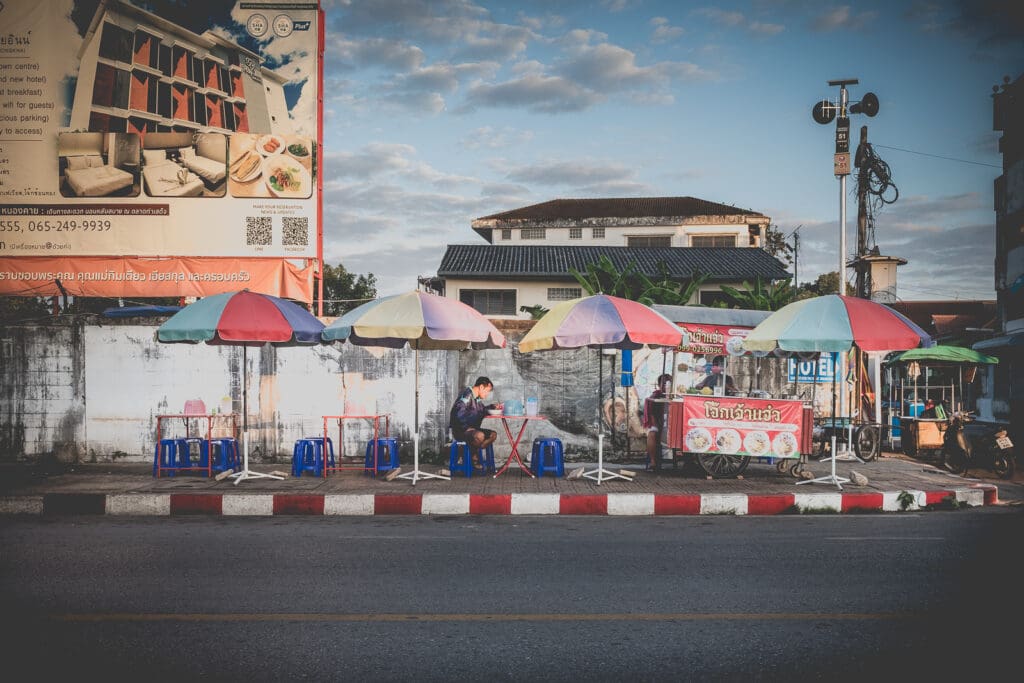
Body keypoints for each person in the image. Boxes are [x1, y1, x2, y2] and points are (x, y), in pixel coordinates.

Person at [449, 376, 499, 468]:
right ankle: (472, 457)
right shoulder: (467, 395)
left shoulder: (477, 398)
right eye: (487, 391)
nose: (487, 394)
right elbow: (457, 414)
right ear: (481, 387)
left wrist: (492, 407)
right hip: (461, 431)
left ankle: (472, 452)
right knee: (480, 436)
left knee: (493, 435)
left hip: (473, 430)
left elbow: (482, 410)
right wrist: (466, 427)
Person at [642, 373, 673, 471]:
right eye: (663, 384)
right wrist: (658, 427)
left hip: (671, 424)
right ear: (659, 385)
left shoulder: (675, 396)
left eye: (667, 384)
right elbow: (651, 414)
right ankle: (653, 461)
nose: (665, 386)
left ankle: (689, 462)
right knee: (652, 434)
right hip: (659, 423)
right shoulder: (655, 395)